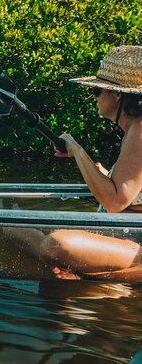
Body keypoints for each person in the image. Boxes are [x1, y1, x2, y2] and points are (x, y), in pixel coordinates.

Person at [10, 45, 142, 281]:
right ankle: (80, 271)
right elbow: (126, 191)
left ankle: (93, 276)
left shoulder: (140, 130)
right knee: (10, 229)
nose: (95, 97)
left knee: (56, 244)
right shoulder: (134, 131)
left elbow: (114, 201)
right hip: (122, 236)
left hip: (135, 246)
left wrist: (78, 151)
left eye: (96, 91)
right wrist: (102, 173)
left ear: (117, 94)